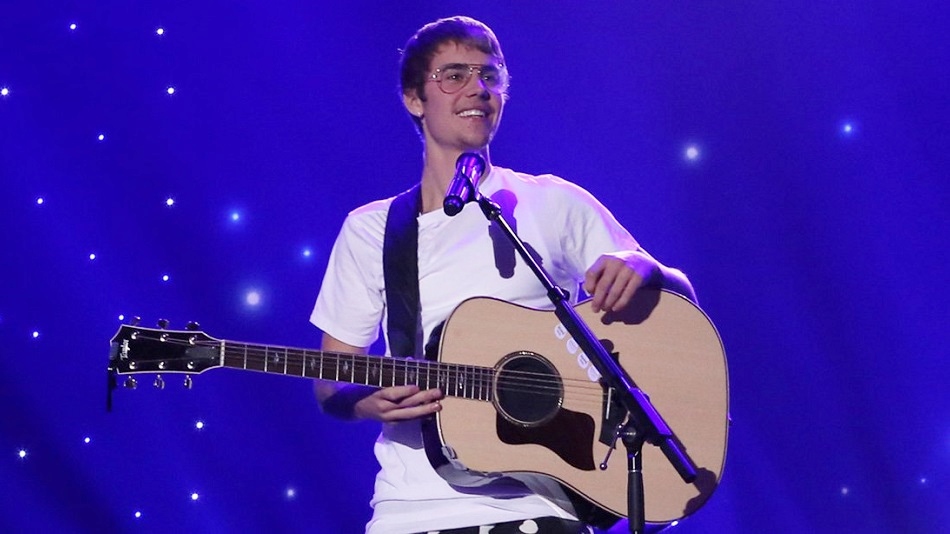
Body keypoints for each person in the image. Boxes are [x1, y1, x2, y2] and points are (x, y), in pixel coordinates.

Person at [310, 15, 696, 534]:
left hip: (549, 503)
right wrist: (364, 403)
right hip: (415, 508)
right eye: (455, 75)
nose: (478, 89)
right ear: (414, 99)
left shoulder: (551, 202)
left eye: (489, 75)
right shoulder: (372, 230)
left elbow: (678, 306)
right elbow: (331, 382)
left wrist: (646, 270)